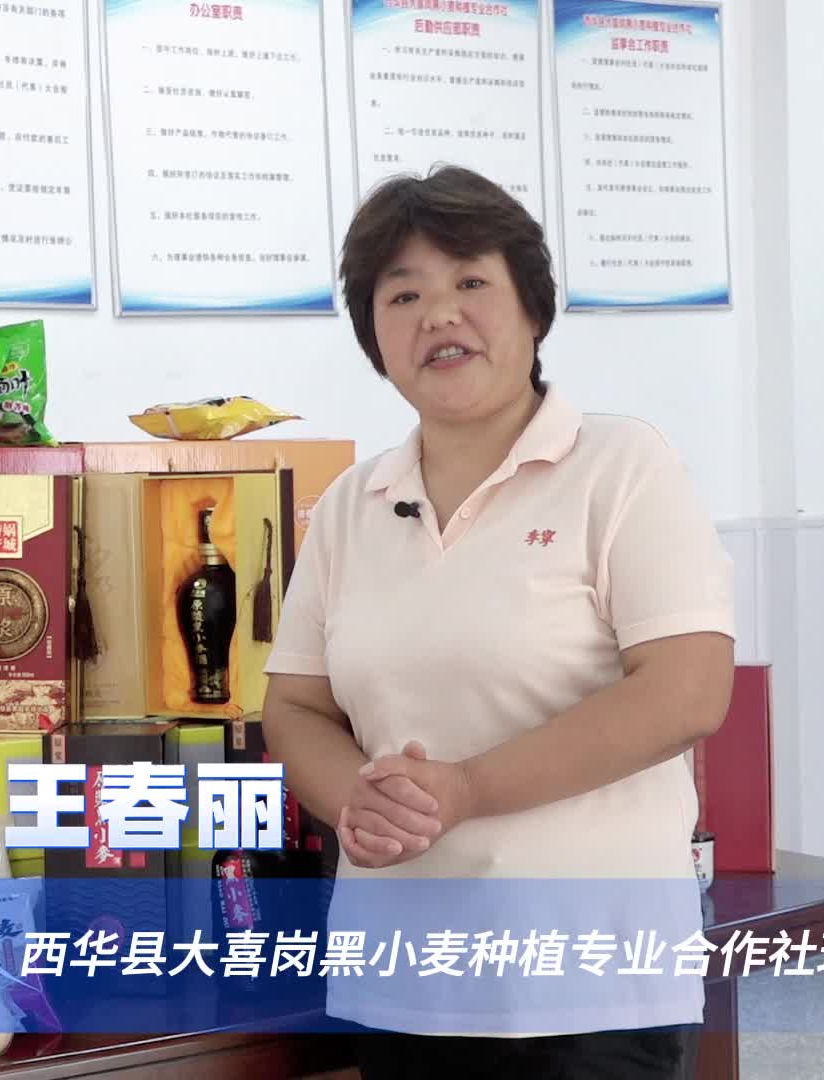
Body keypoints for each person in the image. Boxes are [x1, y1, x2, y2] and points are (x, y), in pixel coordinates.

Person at [261, 165, 737, 1079]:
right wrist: (356, 797)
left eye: (471, 281)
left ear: (532, 308)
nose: (438, 315)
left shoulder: (621, 465)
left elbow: (687, 692)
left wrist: (468, 790)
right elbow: (295, 707)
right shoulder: (354, 504)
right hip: (405, 976)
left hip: (589, 983)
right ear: (374, 336)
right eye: (403, 295)